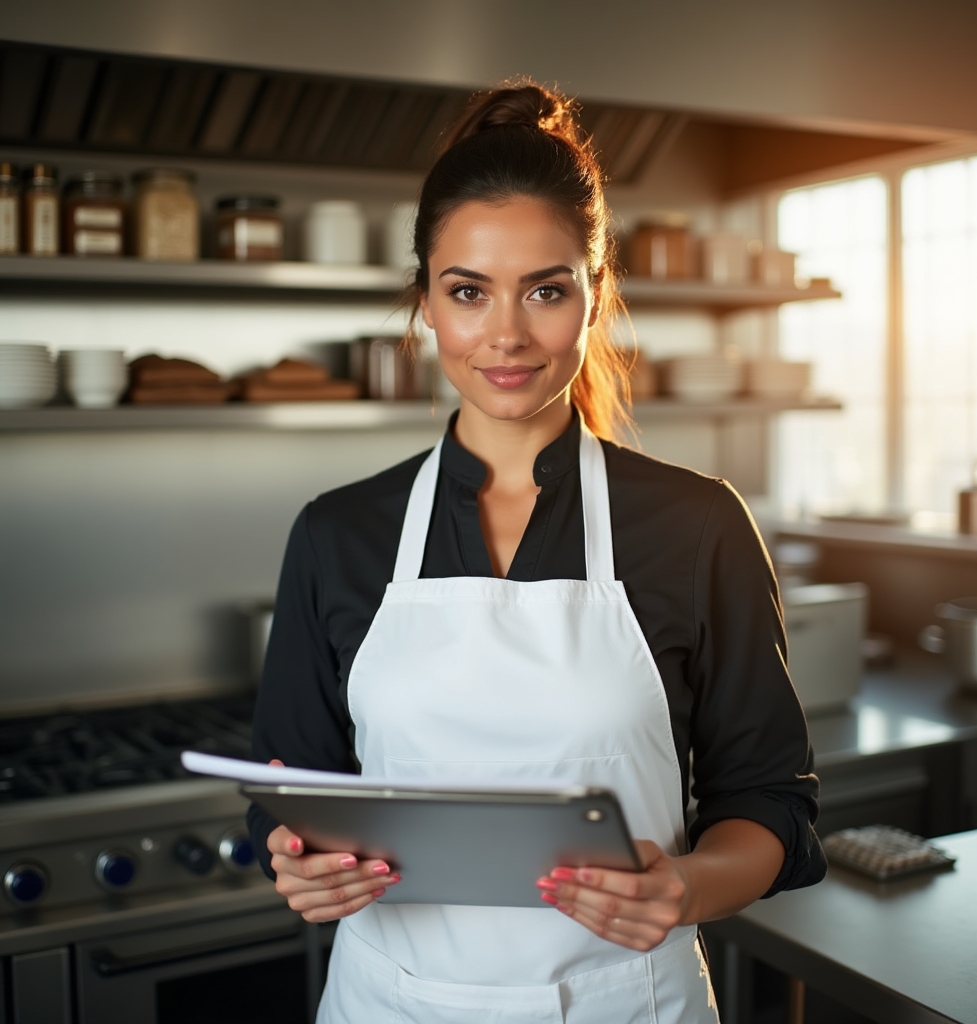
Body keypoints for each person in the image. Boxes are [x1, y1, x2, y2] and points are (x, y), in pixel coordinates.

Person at [248, 80, 826, 1024]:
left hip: (624, 1003)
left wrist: (689, 887)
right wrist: (296, 860)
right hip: (391, 1004)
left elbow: (772, 805)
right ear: (427, 303)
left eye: (545, 290)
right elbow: (287, 786)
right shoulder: (336, 533)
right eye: (468, 291)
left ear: (594, 299)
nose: (506, 334)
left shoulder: (697, 526)